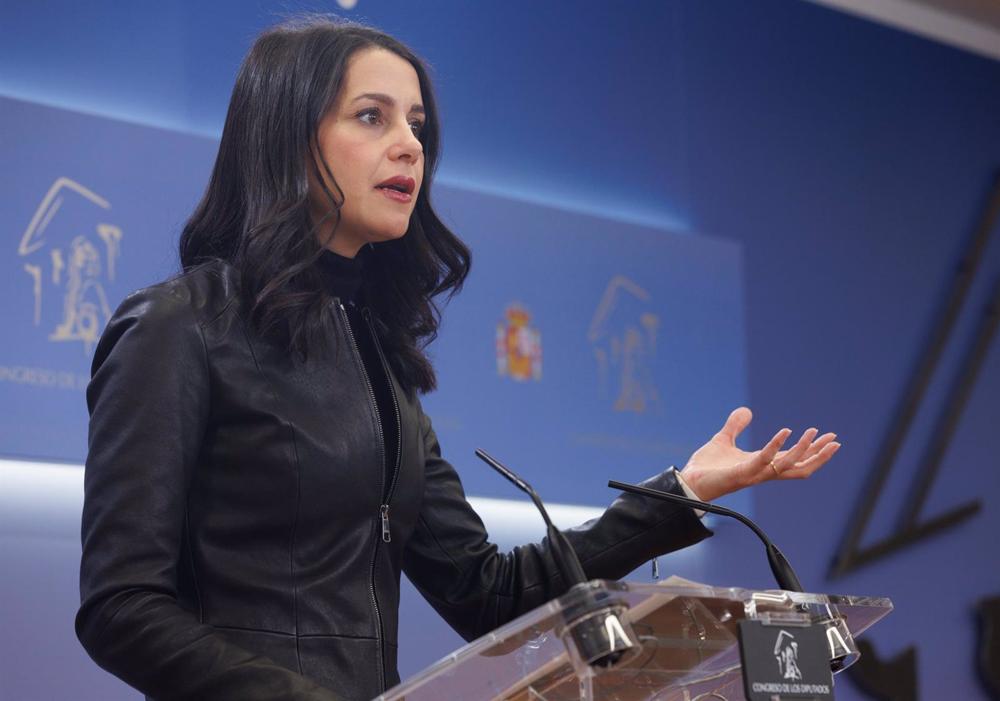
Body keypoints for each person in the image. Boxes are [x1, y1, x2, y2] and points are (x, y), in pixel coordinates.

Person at [75, 17, 839, 701]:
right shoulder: (179, 326)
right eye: (371, 117)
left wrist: (680, 492)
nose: (410, 143)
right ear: (285, 135)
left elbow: (487, 592)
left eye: (416, 124)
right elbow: (121, 607)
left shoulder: (377, 355)